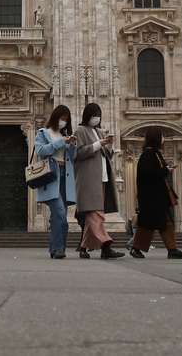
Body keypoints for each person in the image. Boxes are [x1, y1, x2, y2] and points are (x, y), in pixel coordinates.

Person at [129, 127, 182, 260]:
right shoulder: (148, 154)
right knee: (150, 225)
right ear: (156, 138)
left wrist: (165, 169)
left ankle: (171, 249)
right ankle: (137, 248)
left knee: (161, 223)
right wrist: (165, 170)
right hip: (151, 198)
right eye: (161, 136)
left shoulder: (154, 153)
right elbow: (147, 174)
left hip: (156, 197)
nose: (163, 139)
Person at [74, 103, 123, 260]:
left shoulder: (99, 132)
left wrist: (108, 144)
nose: (97, 118)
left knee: (93, 213)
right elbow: (78, 153)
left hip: (102, 177)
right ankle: (106, 245)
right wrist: (98, 144)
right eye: (94, 114)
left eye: (99, 115)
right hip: (88, 179)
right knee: (95, 213)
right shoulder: (80, 131)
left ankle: (83, 248)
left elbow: (106, 155)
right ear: (87, 115)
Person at [33, 104, 78, 259]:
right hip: (51, 177)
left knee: (58, 217)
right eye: (62, 118)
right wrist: (61, 142)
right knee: (60, 214)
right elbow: (41, 151)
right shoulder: (43, 133)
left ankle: (55, 249)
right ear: (56, 117)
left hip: (65, 178)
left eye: (66, 120)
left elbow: (72, 158)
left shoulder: (65, 134)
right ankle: (59, 249)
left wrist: (72, 145)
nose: (64, 122)